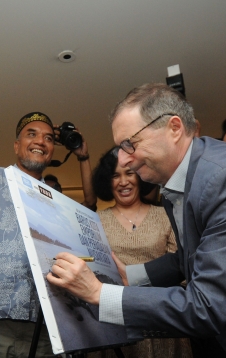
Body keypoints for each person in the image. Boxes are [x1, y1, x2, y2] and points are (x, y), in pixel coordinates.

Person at [47, 83, 226, 357]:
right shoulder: (175, 187)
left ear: (174, 128)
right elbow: (189, 258)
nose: (123, 159)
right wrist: (129, 276)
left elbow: (207, 306)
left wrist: (99, 293)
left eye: (129, 144)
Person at [0, 112, 95, 358]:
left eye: (49, 138)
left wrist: (83, 157)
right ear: (16, 145)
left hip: (45, 326)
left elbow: (89, 212)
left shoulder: (57, 202)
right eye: (31, 134)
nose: (41, 142)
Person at [89, 147, 191, 358]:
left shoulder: (166, 214)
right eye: (115, 175)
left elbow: (181, 269)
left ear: (141, 176)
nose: (123, 181)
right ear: (107, 182)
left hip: (162, 318)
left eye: (129, 173)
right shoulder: (95, 221)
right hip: (114, 320)